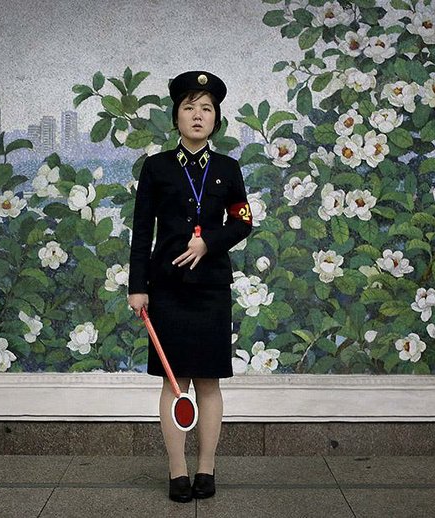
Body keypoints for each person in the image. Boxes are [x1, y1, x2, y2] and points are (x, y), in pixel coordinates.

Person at [127, 70, 253, 503]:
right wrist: (137, 286)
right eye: (189, 108)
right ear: (176, 116)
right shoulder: (156, 167)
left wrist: (208, 242)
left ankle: (206, 469)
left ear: (216, 119)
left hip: (212, 288)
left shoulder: (228, 169)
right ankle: (177, 471)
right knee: (173, 381)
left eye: (206, 109)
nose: (198, 116)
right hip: (168, 288)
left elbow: (243, 220)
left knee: (210, 382)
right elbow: (142, 229)